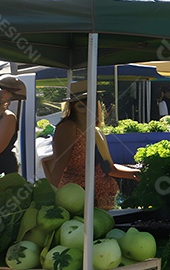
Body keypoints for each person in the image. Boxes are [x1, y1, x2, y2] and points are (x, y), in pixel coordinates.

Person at [48, 82, 139, 210]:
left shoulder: (96, 131)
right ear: (72, 105)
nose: (83, 104)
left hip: (104, 206)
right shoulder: (67, 127)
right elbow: (59, 165)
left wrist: (136, 173)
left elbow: (109, 168)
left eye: (87, 99)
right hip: (79, 202)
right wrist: (50, 200)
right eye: (79, 100)